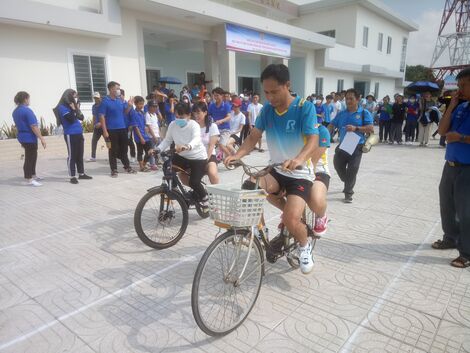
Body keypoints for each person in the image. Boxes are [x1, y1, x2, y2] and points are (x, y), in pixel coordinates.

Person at [225, 64, 319, 274]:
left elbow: (313, 139)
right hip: (277, 170)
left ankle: (305, 247)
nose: (270, 97)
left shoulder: (304, 108)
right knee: (251, 186)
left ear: (287, 85)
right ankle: (261, 232)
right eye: (266, 92)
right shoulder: (267, 110)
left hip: (299, 174)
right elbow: (253, 137)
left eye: (274, 91)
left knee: (290, 218)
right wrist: (237, 155)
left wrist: (299, 158)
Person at [435, 68, 470, 268]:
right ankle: (450, 238)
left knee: (466, 211)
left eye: (464, 85)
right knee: (446, 204)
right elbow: (441, 130)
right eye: (459, 85)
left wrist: (461, 138)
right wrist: (452, 105)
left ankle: (466, 252)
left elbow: (455, 135)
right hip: (450, 165)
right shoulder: (461, 106)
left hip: (467, 168)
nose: (460, 89)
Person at [157, 102, 209, 209]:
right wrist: (157, 149)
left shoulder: (194, 125)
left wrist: (187, 146)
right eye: (176, 116)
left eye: (182, 116)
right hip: (182, 156)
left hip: (197, 157)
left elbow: (196, 139)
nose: (178, 119)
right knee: (167, 166)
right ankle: (175, 190)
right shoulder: (172, 125)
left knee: (194, 182)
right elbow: (167, 140)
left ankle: (205, 197)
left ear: (189, 115)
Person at [328, 88, 374, 203]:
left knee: (352, 169)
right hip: (343, 145)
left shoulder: (364, 113)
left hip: (357, 146)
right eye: (347, 98)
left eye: (351, 98)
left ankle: (348, 193)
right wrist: (324, 133)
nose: (348, 101)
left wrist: (356, 128)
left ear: (358, 99)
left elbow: (370, 128)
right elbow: (332, 124)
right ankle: (348, 181)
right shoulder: (342, 113)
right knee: (337, 165)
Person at [99, 81, 136, 177]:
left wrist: (129, 105)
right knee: (113, 150)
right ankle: (114, 169)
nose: (119, 90)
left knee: (124, 149)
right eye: (117, 88)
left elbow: (125, 112)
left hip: (122, 128)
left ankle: (127, 166)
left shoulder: (119, 100)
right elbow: (102, 117)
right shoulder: (105, 101)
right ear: (111, 89)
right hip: (111, 129)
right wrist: (105, 131)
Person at [55, 89, 92, 184]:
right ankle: (72, 176)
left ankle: (81, 174)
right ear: (68, 96)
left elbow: (82, 118)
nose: (75, 98)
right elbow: (71, 119)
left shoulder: (73, 106)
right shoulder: (62, 107)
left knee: (80, 155)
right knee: (72, 156)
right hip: (70, 134)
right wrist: (74, 109)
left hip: (78, 133)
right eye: (74, 96)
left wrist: (76, 108)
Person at [12, 91, 46, 186]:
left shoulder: (15, 111)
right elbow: (33, 126)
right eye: (28, 98)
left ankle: (33, 175)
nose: (29, 101)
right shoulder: (27, 110)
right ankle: (29, 178)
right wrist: (42, 138)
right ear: (25, 99)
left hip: (22, 137)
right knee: (29, 158)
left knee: (33, 156)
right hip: (29, 137)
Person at [192, 101, 220, 184]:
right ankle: (199, 191)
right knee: (182, 174)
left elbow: (211, 146)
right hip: (195, 156)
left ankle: (215, 192)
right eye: (194, 113)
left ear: (205, 112)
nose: (196, 115)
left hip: (209, 155)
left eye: (198, 113)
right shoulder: (192, 126)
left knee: (213, 173)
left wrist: (205, 161)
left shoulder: (212, 126)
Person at [130, 96, 153, 172]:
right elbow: (135, 127)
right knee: (140, 152)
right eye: (140, 104)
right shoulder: (134, 113)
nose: (141, 105)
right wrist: (141, 138)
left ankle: (143, 164)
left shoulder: (142, 113)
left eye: (142, 104)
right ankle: (141, 167)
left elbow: (144, 124)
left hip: (145, 135)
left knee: (150, 151)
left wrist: (147, 131)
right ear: (135, 104)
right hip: (139, 137)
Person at [208, 87, 232, 156]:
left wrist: (221, 121)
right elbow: (209, 116)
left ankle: (231, 158)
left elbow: (229, 117)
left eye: (217, 95)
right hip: (215, 130)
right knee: (210, 144)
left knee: (221, 145)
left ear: (222, 95)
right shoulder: (211, 106)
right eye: (214, 95)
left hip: (225, 130)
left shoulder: (226, 106)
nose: (215, 97)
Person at [145, 100, 161, 170]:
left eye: (156, 106)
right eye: (153, 107)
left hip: (157, 134)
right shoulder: (147, 115)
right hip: (152, 136)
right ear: (149, 107)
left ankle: (156, 161)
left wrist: (159, 134)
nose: (155, 108)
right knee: (152, 150)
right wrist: (154, 136)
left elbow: (160, 120)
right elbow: (149, 126)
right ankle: (152, 164)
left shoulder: (155, 114)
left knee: (158, 149)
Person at [87, 92, 103, 161]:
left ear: (100, 98)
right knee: (94, 141)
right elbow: (94, 116)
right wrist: (94, 124)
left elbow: (107, 116)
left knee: (108, 141)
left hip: (104, 126)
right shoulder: (94, 106)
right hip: (96, 127)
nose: (96, 99)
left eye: (97, 98)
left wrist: (101, 123)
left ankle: (115, 156)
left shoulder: (103, 105)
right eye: (95, 98)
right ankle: (93, 157)